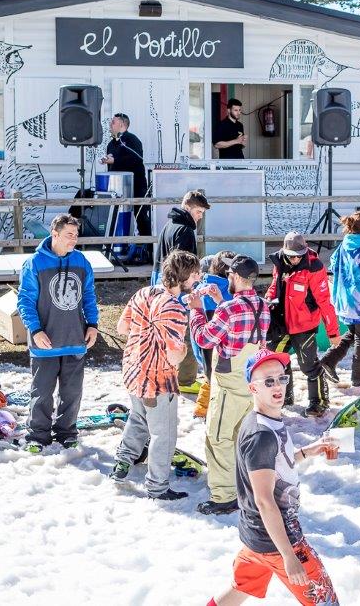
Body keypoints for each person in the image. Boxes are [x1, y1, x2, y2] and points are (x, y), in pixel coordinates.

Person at [207, 350, 340, 606]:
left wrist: (305, 452)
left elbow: (273, 467)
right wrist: (289, 556)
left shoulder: (263, 419)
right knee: (325, 601)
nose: (278, 385)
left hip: (255, 538)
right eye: (268, 381)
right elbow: (265, 500)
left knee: (240, 589)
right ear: (252, 388)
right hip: (278, 540)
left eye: (282, 378)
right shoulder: (262, 436)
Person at [110, 250, 201, 499]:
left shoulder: (144, 292)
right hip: (158, 380)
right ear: (183, 277)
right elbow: (174, 356)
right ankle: (157, 487)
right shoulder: (174, 308)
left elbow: (122, 327)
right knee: (164, 433)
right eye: (195, 275)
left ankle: (121, 464)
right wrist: (183, 349)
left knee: (138, 419)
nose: (198, 279)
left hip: (133, 369)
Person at [191, 254, 271, 515]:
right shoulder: (263, 305)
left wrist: (197, 310)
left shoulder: (228, 310)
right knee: (240, 437)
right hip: (250, 382)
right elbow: (241, 320)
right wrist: (219, 301)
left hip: (228, 384)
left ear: (236, 277)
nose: (227, 278)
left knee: (218, 438)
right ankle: (241, 487)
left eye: (229, 275)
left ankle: (224, 496)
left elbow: (204, 338)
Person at [17, 213, 99, 453]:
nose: (73, 239)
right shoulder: (34, 263)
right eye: (68, 235)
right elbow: (25, 301)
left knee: (72, 392)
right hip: (45, 341)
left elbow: (89, 296)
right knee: (42, 392)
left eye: (75, 235)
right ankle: (38, 435)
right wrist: (35, 329)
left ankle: (66, 432)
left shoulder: (82, 261)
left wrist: (93, 324)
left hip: (75, 339)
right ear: (54, 234)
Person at [265, 232, 340, 416]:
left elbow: (324, 301)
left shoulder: (314, 267)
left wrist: (333, 332)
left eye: (300, 255)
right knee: (276, 360)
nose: (296, 258)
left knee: (309, 365)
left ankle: (319, 402)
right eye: (292, 255)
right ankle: (286, 396)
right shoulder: (279, 263)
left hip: (304, 325)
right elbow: (275, 286)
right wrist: (268, 299)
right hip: (280, 321)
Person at [319, 211, 360, 389]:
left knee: (352, 334)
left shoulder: (344, 245)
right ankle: (359, 377)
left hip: (345, 299)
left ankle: (328, 360)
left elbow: (333, 265)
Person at [153, 190, 211, 390]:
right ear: (188, 207)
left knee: (163, 328)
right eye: (198, 212)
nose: (200, 216)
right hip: (178, 284)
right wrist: (192, 284)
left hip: (160, 280)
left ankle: (164, 370)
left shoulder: (168, 225)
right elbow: (183, 265)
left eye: (202, 213)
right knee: (185, 327)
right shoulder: (185, 231)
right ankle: (186, 379)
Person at [192, 252, 235, 418]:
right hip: (223, 347)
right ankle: (217, 412)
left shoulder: (201, 287)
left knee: (208, 376)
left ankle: (202, 410)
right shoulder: (228, 291)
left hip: (203, 343)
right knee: (220, 382)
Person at [101, 113, 150, 239]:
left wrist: (115, 160)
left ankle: (148, 249)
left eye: (113, 122)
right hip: (117, 188)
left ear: (122, 124)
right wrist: (108, 159)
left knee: (141, 217)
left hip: (136, 185)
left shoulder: (131, 140)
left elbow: (136, 158)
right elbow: (112, 163)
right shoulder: (111, 144)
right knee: (116, 216)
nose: (110, 125)